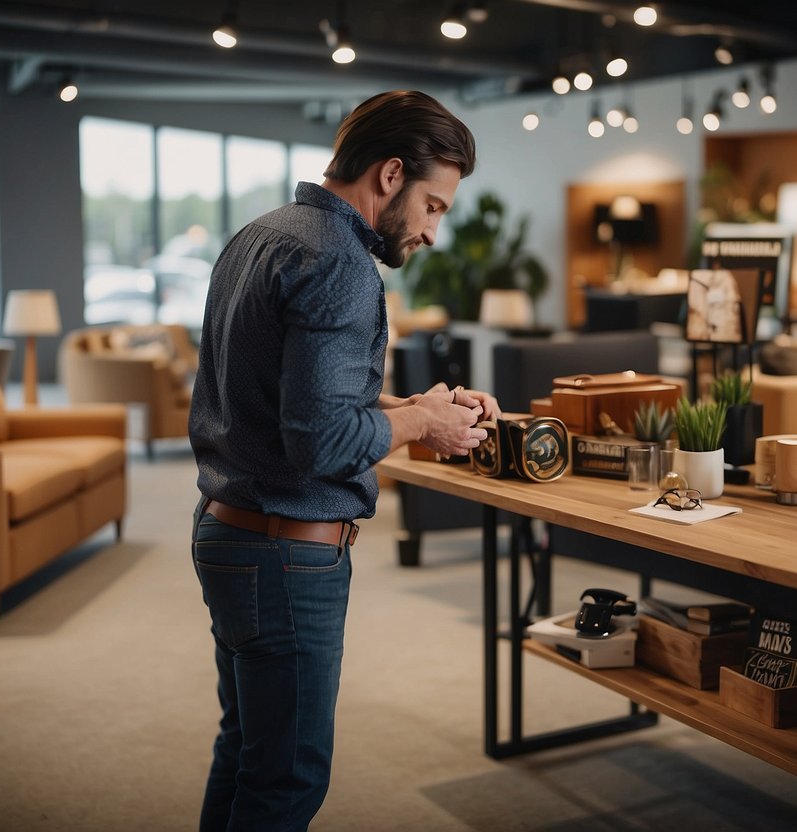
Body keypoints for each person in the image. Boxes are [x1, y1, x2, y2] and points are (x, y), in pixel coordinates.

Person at [188, 90, 500, 832]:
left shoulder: (261, 235)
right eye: (433, 206)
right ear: (389, 175)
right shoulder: (339, 262)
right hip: (285, 554)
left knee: (247, 753)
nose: (431, 232)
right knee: (286, 779)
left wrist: (409, 409)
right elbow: (319, 442)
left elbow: (287, 405)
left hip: (230, 534)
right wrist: (420, 423)